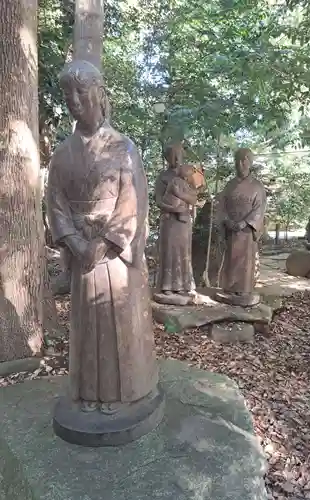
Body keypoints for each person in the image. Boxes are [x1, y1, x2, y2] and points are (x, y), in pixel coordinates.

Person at [47, 60, 158, 415]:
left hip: (114, 255)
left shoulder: (124, 148)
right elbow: (56, 202)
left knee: (117, 324)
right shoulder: (62, 153)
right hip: (82, 253)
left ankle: (118, 394)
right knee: (86, 327)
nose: (74, 100)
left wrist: (107, 242)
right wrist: (75, 242)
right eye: (68, 93)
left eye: (81, 91)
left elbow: (134, 201)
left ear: (99, 93)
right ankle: (87, 393)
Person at [217, 148, 267, 307]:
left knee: (245, 261)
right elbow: (222, 206)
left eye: (244, 160)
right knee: (230, 259)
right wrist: (226, 220)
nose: (240, 164)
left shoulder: (257, 186)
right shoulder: (229, 185)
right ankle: (229, 288)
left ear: (250, 162)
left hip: (246, 231)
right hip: (231, 230)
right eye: (237, 160)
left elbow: (259, 209)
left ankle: (244, 290)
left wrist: (245, 223)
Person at [154, 144, 197, 295]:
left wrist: (180, 196)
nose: (177, 159)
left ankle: (185, 285)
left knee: (184, 251)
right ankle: (167, 286)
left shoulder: (187, 177)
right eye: (173, 155)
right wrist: (173, 208)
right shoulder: (163, 177)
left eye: (179, 155)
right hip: (169, 220)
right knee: (169, 251)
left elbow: (194, 198)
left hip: (184, 220)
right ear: (167, 158)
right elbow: (158, 200)